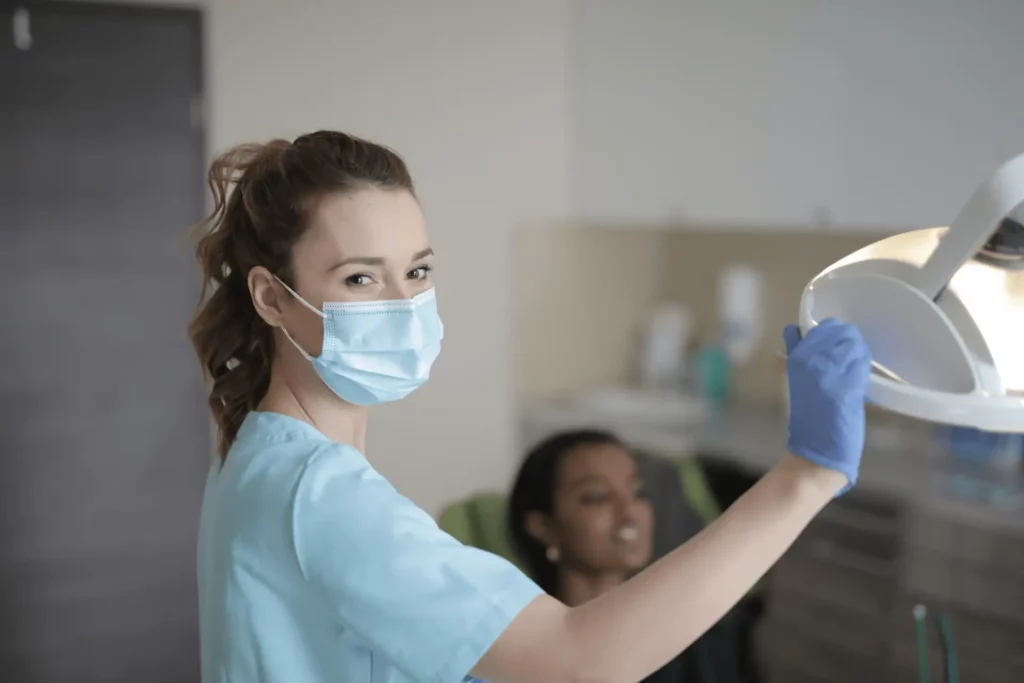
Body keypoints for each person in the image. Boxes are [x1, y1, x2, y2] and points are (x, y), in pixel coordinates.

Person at [189, 130, 873, 683]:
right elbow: (576, 662)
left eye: (418, 271)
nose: (403, 305)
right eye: (361, 277)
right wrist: (803, 476)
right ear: (273, 297)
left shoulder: (260, 450)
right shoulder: (320, 494)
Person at [507, 429, 755, 683]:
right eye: (597, 497)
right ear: (543, 527)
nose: (629, 513)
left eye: (638, 493)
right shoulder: (517, 648)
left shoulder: (695, 636)